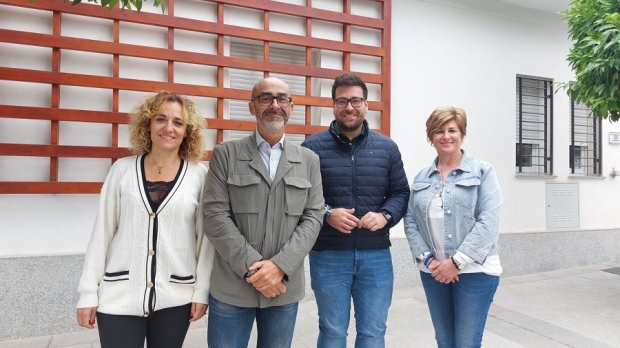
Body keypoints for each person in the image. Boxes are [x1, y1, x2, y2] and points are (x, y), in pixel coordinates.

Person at [75, 91, 214, 348]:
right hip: (118, 295)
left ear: (187, 131)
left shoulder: (199, 176)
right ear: (147, 123)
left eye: (178, 122)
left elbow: (205, 243)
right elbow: (102, 235)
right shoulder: (122, 170)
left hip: (176, 297)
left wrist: (201, 291)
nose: (168, 128)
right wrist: (87, 294)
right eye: (160, 119)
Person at [202, 77, 324, 348]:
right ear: (252, 106)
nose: (274, 105)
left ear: (291, 107)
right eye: (266, 98)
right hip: (233, 288)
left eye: (282, 99)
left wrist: (279, 267)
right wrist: (255, 270)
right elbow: (214, 216)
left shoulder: (308, 160)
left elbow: (313, 217)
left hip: (283, 288)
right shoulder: (225, 154)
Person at [301, 73, 410, 347]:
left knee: (373, 333)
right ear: (333, 105)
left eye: (355, 101)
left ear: (366, 105)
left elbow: (400, 193)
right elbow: (299, 198)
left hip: (375, 256)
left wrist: (385, 215)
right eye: (342, 101)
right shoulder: (311, 148)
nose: (349, 107)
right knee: (332, 332)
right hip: (328, 255)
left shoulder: (387, 148)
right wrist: (327, 213)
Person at [404, 106, 503, 348]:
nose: (446, 136)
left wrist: (456, 262)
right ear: (431, 137)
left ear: (462, 134)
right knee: (445, 341)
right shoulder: (422, 177)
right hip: (434, 271)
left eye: (452, 130)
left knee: (466, 343)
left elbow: (489, 221)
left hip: (476, 272)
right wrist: (430, 262)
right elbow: (410, 220)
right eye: (439, 131)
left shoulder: (483, 172)